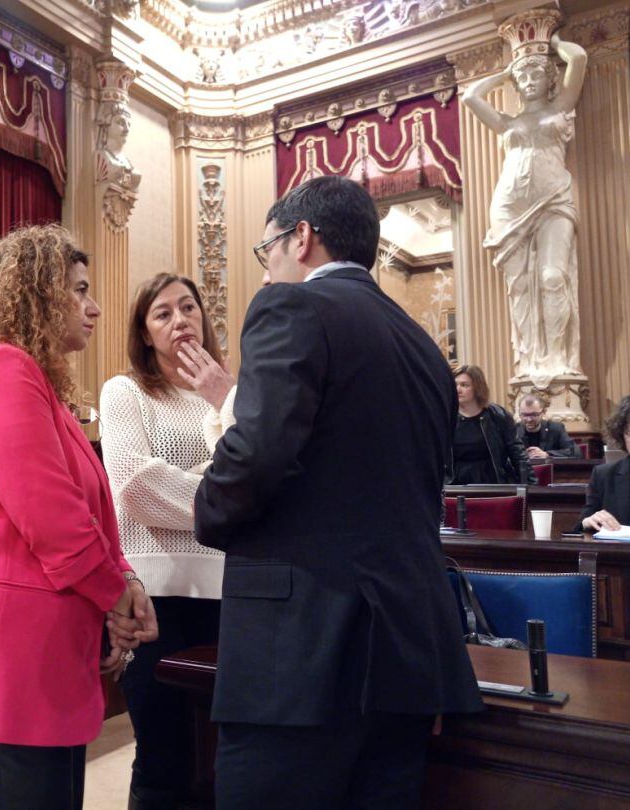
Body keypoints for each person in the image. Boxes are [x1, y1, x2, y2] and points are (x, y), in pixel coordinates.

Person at [194, 176, 482, 809]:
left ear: (301, 237)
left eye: (266, 249)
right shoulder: (425, 349)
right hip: (408, 650)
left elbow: (256, 451)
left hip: (300, 650)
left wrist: (207, 514)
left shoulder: (291, 306)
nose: (267, 269)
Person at [0, 225, 158, 810]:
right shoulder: (1, 369)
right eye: (78, 290)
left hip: (36, 662)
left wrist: (126, 583)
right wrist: (120, 602)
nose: (93, 307)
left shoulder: (41, 385)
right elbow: (54, 521)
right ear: (35, 293)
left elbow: (94, 509)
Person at [100, 273, 232, 810]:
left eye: (188, 307)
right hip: (154, 595)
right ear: (145, 331)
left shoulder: (224, 397)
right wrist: (219, 490)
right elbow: (135, 488)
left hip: (228, 592)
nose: (180, 320)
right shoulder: (124, 391)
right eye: (162, 313)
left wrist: (224, 411)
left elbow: (258, 478)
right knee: (164, 755)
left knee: (222, 754)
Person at [464, 27, 587, 386]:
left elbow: (578, 59)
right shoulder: (507, 122)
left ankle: (559, 361)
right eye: (524, 76)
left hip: (554, 201)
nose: (530, 80)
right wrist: (507, 71)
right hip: (509, 206)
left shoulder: (561, 106)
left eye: (537, 73)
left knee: (552, 277)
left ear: (550, 77)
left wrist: (556, 46)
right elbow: (471, 96)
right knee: (518, 288)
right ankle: (530, 361)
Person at [578, 392, 630, 532]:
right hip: (620, 553)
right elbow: (580, 528)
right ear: (622, 435)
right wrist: (588, 521)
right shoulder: (604, 475)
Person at [449, 364, 533, 485]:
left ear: (477, 387)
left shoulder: (498, 415)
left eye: (464, 385)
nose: (458, 389)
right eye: (455, 384)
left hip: (493, 481)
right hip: (455, 483)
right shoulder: (447, 417)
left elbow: (517, 452)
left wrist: (532, 485)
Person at [516, 394, 580, 461]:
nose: (529, 419)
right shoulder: (515, 430)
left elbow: (576, 453)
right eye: (524, 415)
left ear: (543, 412)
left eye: (534, 415)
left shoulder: (556, 429)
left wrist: (547, 454)